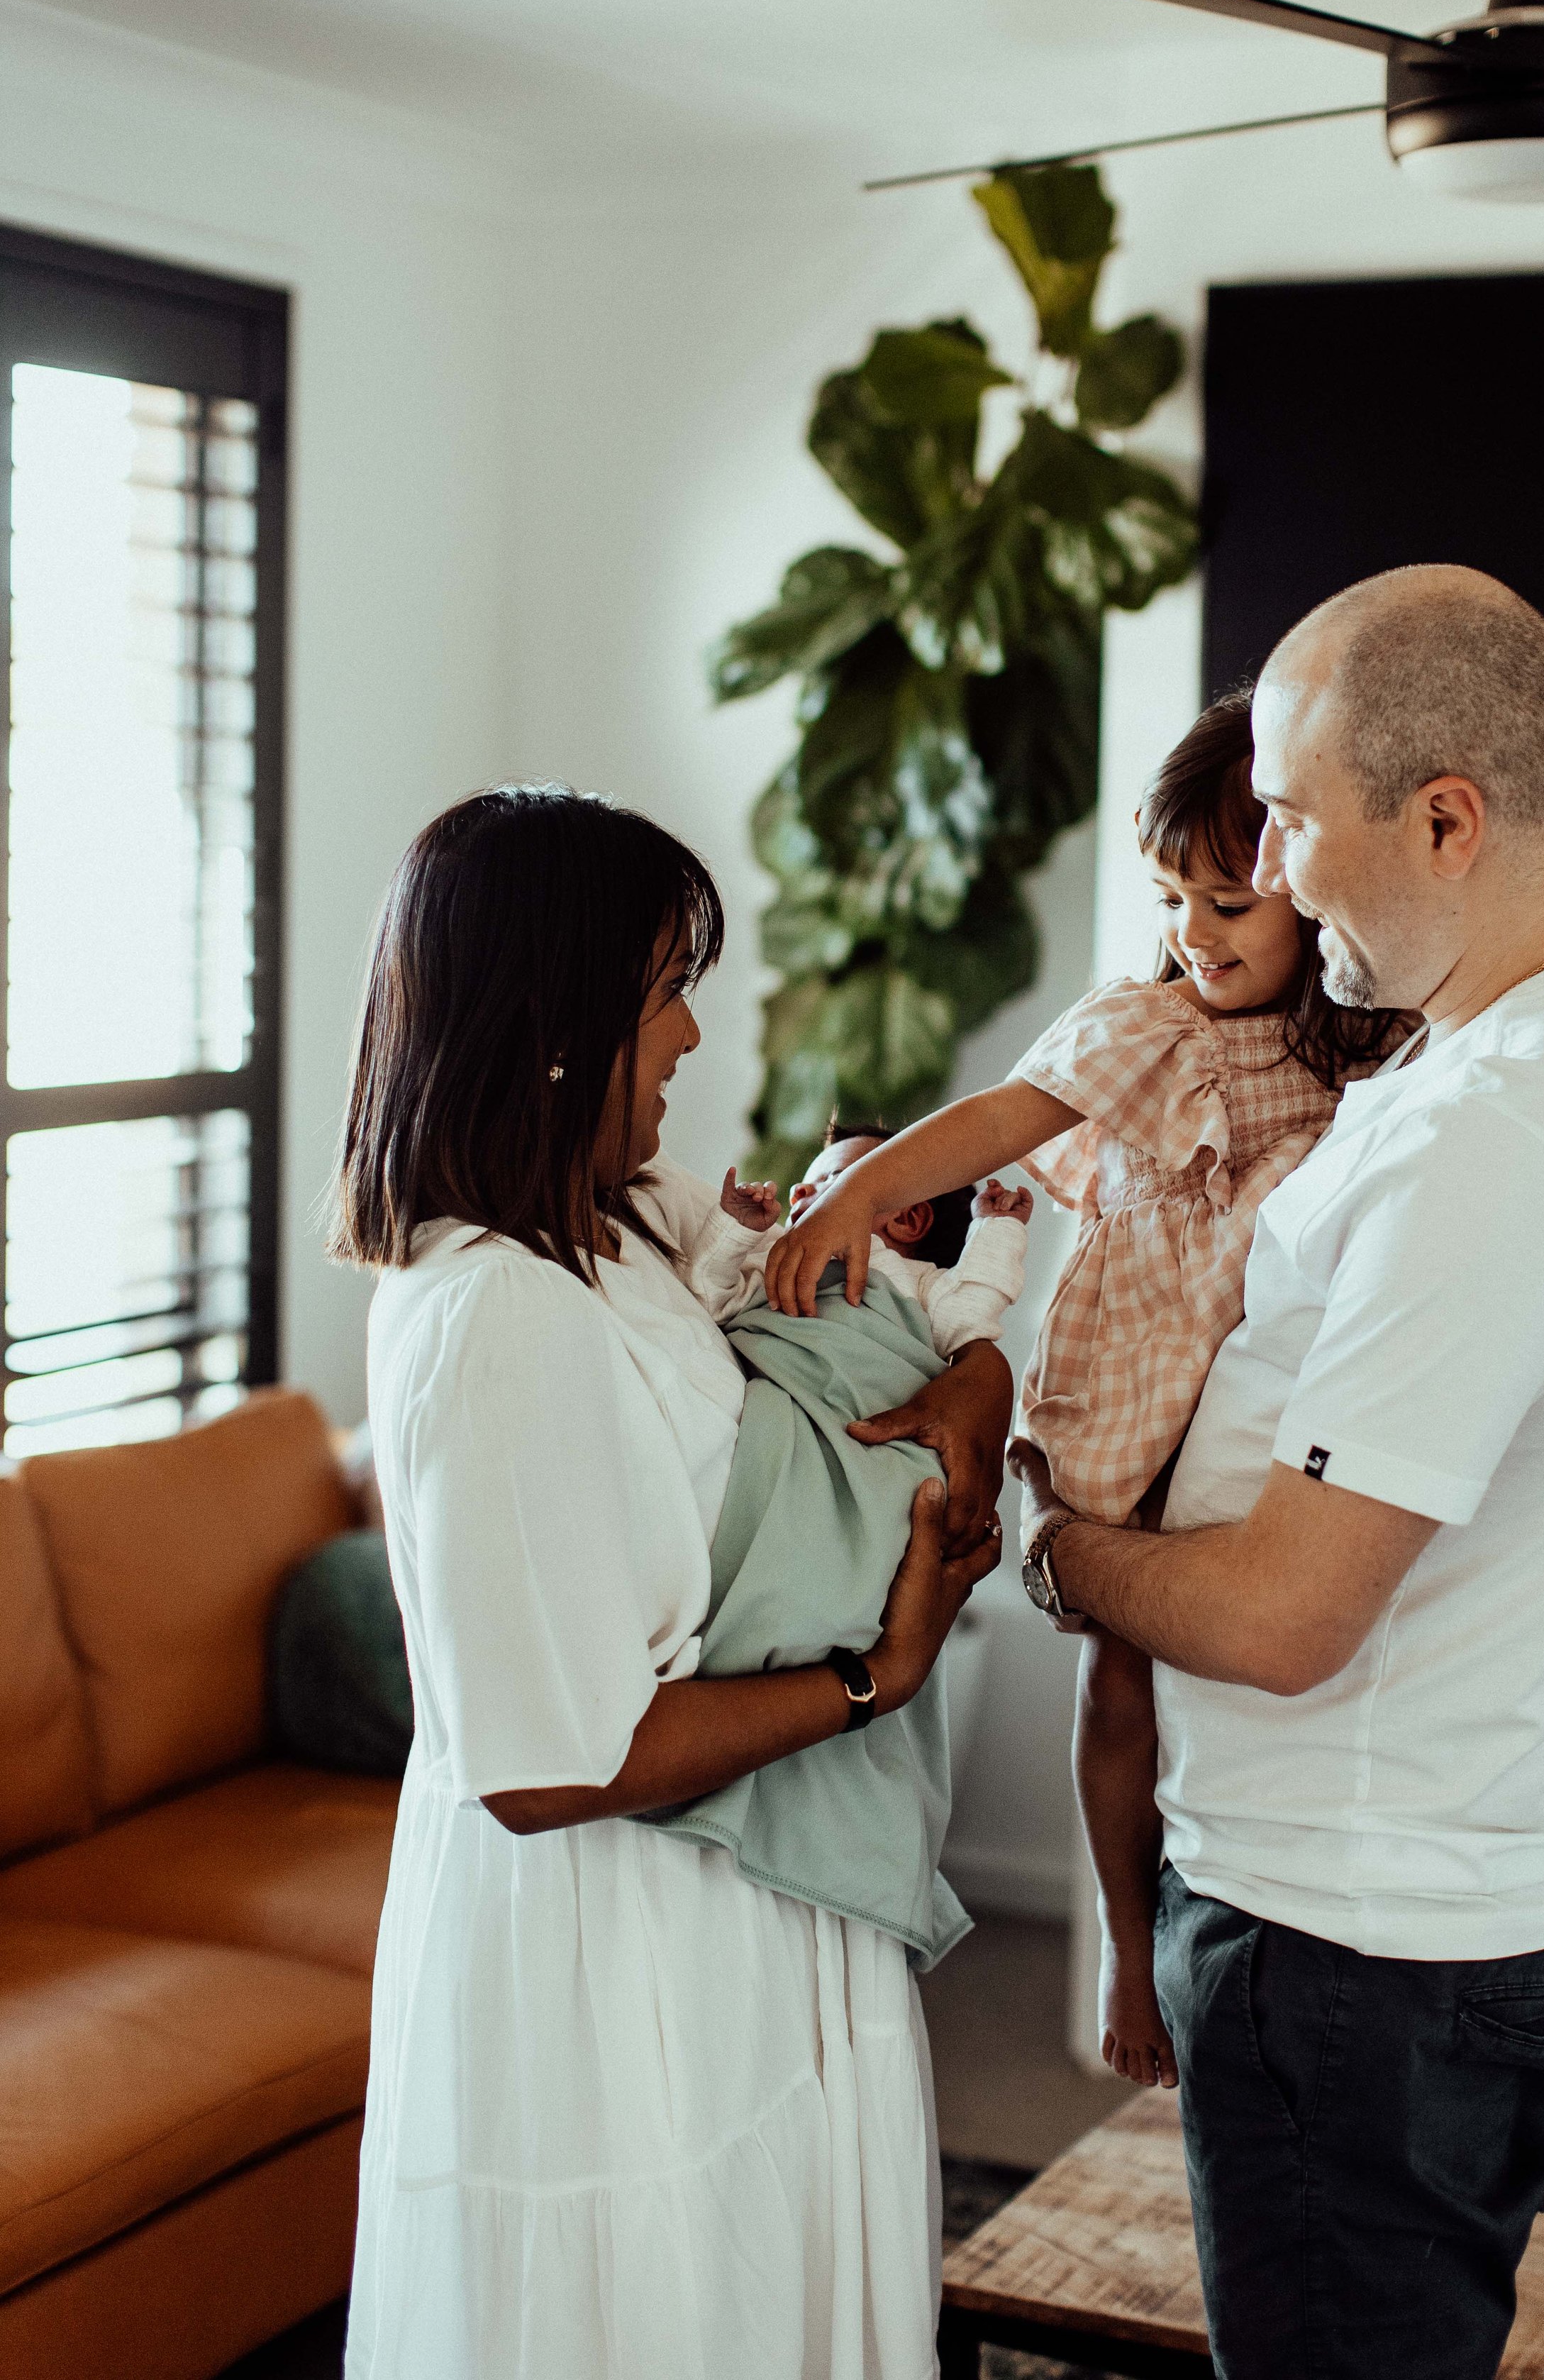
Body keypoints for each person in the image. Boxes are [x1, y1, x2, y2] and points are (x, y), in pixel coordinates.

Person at [1012, 567, 1544, 2380]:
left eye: (1289, 812)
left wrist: (1051, 1549)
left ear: (1444, 818)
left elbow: (1280, 1615)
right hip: (1463, 1914)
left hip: (1358, 1962)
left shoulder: (1498, 1136)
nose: (1265, 859)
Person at [330, 785, 1009, 2380]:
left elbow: (859, 1285)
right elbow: (547, 1767)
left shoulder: (623, 1221)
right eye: (664, 994)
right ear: (556, 1021)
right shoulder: (491, 1318)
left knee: (782, 2296)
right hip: (610, 1955)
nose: (695, 1039)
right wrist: (872, 1681)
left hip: (748, 1897)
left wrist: (972, 1380)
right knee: (657, 2313)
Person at [766, 696, 1399, 2090]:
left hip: (1263, 1406)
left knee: (1284, 1664)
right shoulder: (1146, 1027)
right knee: (1120, 1685)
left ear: (1307, 890)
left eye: (1228, 901)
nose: (1195, 931)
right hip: (1128, 1389)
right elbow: (997, 1119)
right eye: (1173, 897)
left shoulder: (1364, 1054)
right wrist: (861, 1193)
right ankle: (1126, 1939)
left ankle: (1282, 1934)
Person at [687, 1113, 1033, 1357]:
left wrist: (996, 1226)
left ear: (908, 1220)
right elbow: (711, 1301)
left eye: (834, 1180)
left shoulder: (918, 1288)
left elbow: (969, 1315)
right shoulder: (778, 1263)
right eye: (806, 1182)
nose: (798, 1188)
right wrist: (735, 1230)